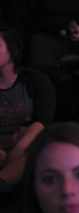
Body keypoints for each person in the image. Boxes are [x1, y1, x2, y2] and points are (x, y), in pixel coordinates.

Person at [0, 28, 55, 192]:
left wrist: (18, 148)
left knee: (45, 148)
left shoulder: (36, 80)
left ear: (13, 50)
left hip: (23, 141)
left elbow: (42, 121)